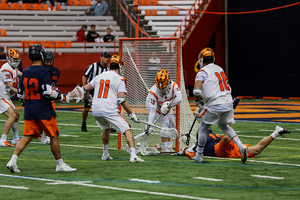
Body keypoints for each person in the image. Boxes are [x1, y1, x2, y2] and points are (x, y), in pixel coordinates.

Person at [6, 44, 76, 173]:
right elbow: (48, 93)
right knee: (54, 135)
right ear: (42, 55)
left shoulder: (25, 71)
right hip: (43, 109)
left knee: (27, 136)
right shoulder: (45, 71)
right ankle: (60, 164)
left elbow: (21, 95)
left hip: (29, 109)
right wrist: (62, 96)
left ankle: (12, 161)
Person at [82, 55, 145, 163]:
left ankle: (105, 154)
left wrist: (88, 97)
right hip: (109, 110)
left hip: (96, 110)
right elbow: (121, 99)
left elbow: (85, 88)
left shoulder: (99, 75)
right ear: (120, 66)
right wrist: (131, 113)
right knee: (127, 129)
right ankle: (133, 155)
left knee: (106, 128)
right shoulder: (120, 79)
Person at [193, 47, 248, 163]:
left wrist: (198, 102)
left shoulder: (202, 72)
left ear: (201, 59)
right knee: (224, 126)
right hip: (228, 102)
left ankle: (198, 155)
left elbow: (197, 91)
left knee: (203, 127)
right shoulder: (219, 69)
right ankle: (240, 145)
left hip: (215, 104)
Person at [178, 126, 290, 159]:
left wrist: (181, 151)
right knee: (257, 150)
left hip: (219, 149)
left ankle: (230, 113)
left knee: (226, 138)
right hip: (225, 149)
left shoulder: (198, 143)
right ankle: (276, 132)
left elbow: (186, 151)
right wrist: (182, 151)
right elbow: (185, 151)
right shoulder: (199, 142)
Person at [145, 69, 182, 152]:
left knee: (172, 123)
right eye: (160, 88)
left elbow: (179, 98)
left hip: (166, 105)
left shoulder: (173, 86)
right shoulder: (153, 92)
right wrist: (149, 125)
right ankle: (164, 148)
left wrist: (168, 104)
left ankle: (169, 146)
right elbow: (152, 110)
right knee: (165, 121)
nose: (162, 90)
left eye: (164, 88)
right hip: (156, 106)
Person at [81, 51, 111, 132]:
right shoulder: (93, 66)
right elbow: (84, 76)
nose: (107, 59)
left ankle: (107, 126)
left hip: (100, 91)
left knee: (105, 108)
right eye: (105, 57)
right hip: (90, 89)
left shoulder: (107, 70)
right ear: (101, 57)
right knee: (87, 109)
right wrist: (85, 89)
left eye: (108, 57)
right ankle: (83, 123)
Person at [0, 48, 22, 147]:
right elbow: (10, 88)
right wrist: (23, 94)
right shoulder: (6, 69)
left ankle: (15, 138)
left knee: (16, 116)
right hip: (1, 96)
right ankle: (2, 140)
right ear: (8, 58)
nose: (16, 61)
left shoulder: (13, 67)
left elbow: (22, 75)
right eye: (14, 59)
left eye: (17, 59)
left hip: (5, 96)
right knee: (12, 116)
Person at [38, 50, 60, 145]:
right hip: (40, 96)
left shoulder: (56, 71)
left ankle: (48, 135)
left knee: (50, 117)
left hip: (50, 97)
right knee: (40, 118)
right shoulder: (40, 70)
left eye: (50, 60)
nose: (49, 62)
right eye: (47, 60)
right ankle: (41, 135)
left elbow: (54, 84)